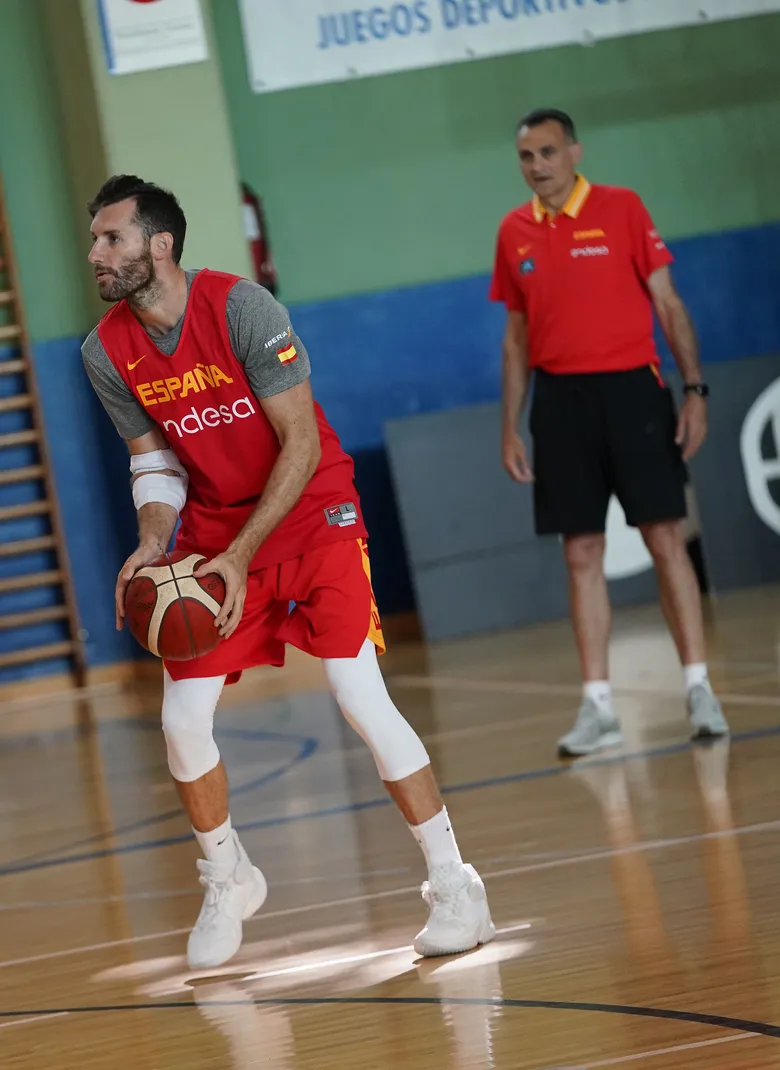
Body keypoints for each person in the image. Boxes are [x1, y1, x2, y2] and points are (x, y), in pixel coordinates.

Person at [82, 175, 495, 970]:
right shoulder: (105, 351)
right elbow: (155, 464)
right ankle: (228, 875)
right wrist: (152, 541)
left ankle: (455, 884)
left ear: (160, 245)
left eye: (112, 238)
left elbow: (300, 442)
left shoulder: (242, 309)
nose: (96, 253)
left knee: (358, 692)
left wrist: (242, 555)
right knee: (181, 719)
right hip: (214, 528)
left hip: (313, 510)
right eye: (95, 239)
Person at [490, 109, 729, 759]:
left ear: (574, 152)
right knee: (580, 553)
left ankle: (699, 689)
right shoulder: (513, 231)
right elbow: (516, 340)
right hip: (559, 404)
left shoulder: (623, 208)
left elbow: (668, 303)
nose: (537, 165)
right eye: (526, 156)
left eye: (547, 152)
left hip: (633, 393)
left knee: (665, 539)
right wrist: (510, 426)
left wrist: (695, 390)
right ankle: (598, 707)